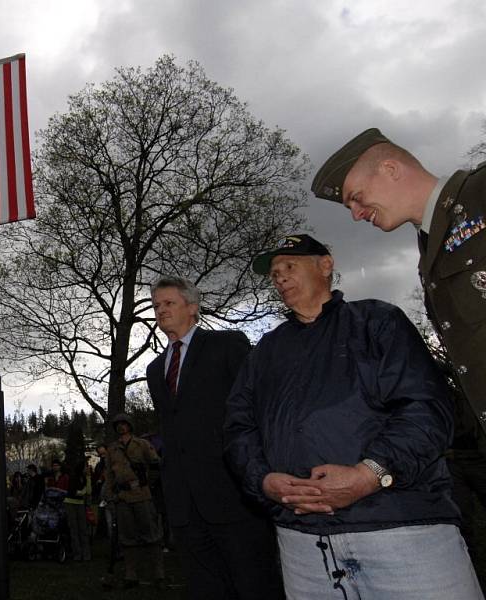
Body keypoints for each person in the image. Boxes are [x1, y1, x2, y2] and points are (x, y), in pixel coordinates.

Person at [224, 233, 483, 599]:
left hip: (400, 532)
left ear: (325, 265)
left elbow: (425, 409)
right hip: (303, 547)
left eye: (289, 265)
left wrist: (369, 474)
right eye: (274, 272)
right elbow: (238, 428)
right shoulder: (266, 350)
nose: (279, 276)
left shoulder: (377, 321)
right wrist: (263, 480)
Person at [311, 128, 486, 434]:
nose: (356, 214)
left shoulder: (480, 191)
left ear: (390, 169)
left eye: (356, 197)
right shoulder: (429, 253)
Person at [146, 275, 284, 599]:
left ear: (192, 307)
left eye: (169, 303)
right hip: (184, 507)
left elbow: (255, 409)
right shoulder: (155, 370)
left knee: (254, 584)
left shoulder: (227, 345)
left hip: (232, 497)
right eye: (156, 306)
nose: (161, 311)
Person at [104, 413, 165, 589]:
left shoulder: (143, 444)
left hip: (142, 495)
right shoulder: (112, 449)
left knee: (151, 535)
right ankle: (131, 576)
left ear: (130, 425)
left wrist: (148, 483)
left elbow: (156, 464)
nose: (121, 427)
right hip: (122, 497)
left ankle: (158, 575)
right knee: (127, 538)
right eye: (118, 425)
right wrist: (110, 496)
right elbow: (109, 475)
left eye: (124, 424)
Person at [63, 461, 91, 561]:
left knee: (83, 529)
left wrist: (88, 478)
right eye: (86, 466)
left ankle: (86, 554)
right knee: (74, 529)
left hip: (80, 504)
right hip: (70, 503)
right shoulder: (73, 477)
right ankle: (77, 554)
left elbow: (88, 491)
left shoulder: (84, 478)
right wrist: (83, 492)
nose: (88, 468)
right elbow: (75, 492)